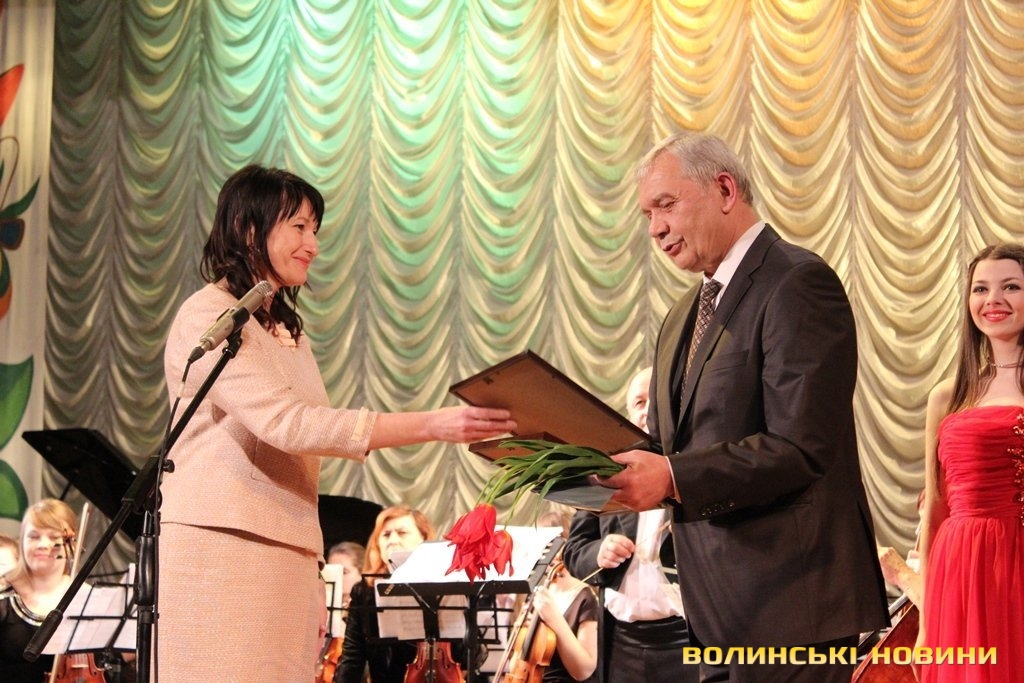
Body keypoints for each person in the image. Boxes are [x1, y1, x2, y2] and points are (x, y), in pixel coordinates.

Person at [159, 165, 516, 681]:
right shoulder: (210, 316)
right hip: (224, 547)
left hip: (289, 546)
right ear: (249, 228)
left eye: (315, 230)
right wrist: (433, 424)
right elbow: (289, 424)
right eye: (299, 227)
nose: (313, 245)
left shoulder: (284, 328)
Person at [595, 133, 888, 682]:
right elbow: (667, 445)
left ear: (725, 189)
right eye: (647, 215)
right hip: (712, 613)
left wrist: (671, 476)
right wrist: (576, 458)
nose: (655, 228)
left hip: (792, 607)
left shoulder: (797, 282)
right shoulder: (681, 315)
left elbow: (799, 447)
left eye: (666, 205)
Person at [914, 244, 1024, 682]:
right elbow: (935, 508)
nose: (993, 299)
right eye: (981, 289)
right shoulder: (947, 395)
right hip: (959, 569)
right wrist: (925, 624)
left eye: (1010, 287)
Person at [563, 365, 698, 683]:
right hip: (620, 641)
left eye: (654, 399)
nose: (646, 410)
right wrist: (598, 553)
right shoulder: (602, 473)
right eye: (638, 402)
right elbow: (573, 551)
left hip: (686, 636)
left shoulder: (695, 468)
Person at [336, 505, 449, 683]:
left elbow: (471, 655)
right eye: (386, 535)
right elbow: (353, 656)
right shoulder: (364, 590)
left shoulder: (444, 585)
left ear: (424, 539)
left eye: (402, 533)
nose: (393, 541)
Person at [0, 499, 78, 682]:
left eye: (54, 537)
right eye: (34, 536)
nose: (43, 544)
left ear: (72, 545)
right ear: (22, 542)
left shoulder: (88, 598)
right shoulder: (4, 597)